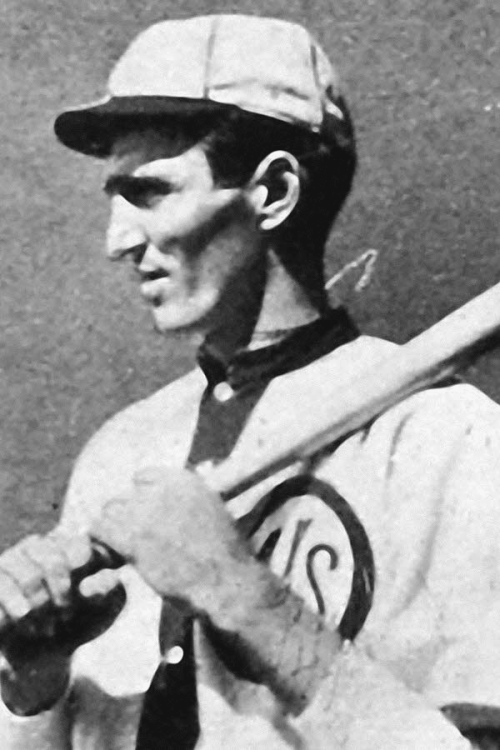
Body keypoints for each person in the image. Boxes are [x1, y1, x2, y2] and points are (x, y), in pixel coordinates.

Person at [0, 13, 498, 749]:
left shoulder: (445, 441)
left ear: (274, 191)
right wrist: (35, 686)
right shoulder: (120, 453)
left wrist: (244, 597)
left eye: (150, 192)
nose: (117, 241)